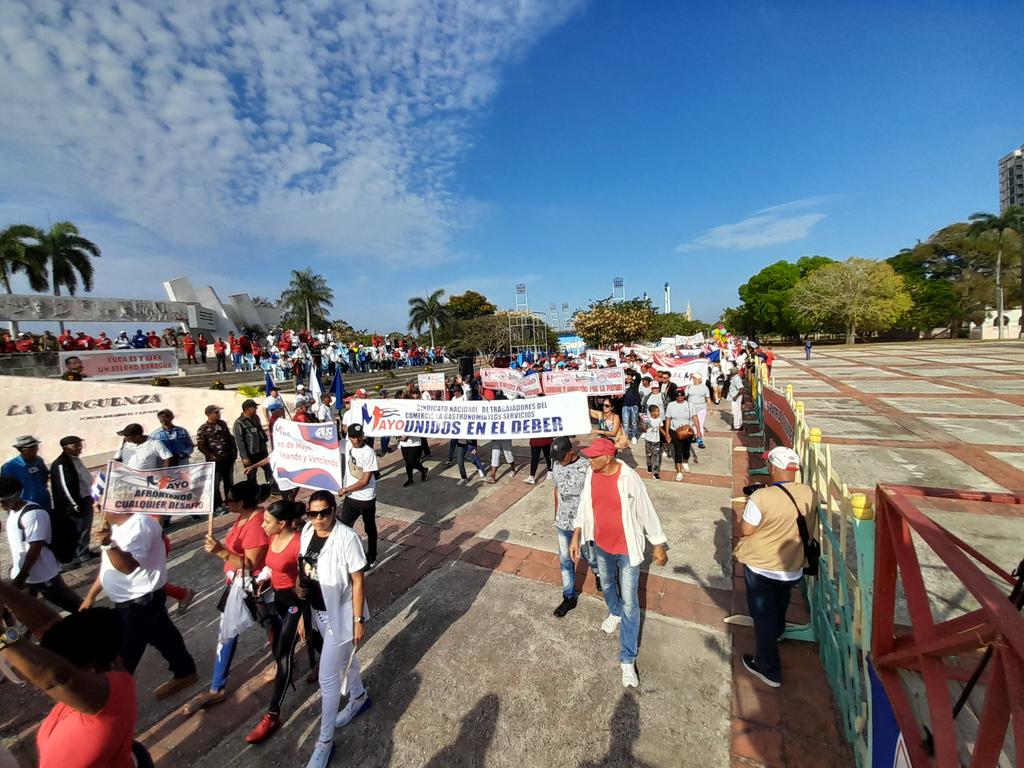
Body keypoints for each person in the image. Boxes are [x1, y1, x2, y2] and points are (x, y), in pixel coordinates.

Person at [0, 583, 150, 768]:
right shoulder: (99, 670)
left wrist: (3, 638)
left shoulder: (110, 695)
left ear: (88, 667)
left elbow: (56, 678)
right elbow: (44, 623)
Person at [569, 438, 668, 688]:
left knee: (631, 602)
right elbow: (584, 504)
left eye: (594, 457)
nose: (589, 461)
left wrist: (657, 544)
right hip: (601, 544)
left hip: (626, 548)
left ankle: (627, 659)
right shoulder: (592, 474)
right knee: (607, 585)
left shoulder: (629, 478)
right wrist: (576, 533)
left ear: (608, 458)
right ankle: (614, 611)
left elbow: (646, 509)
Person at [78, 509, 198, 697]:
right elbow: (108, 566)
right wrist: (91, 596)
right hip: (136, 601)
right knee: (164, 636)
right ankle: (186, 672)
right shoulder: (116, 528)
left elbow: (128, 567)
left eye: (98, 505)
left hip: (139, 604)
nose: (95, 510)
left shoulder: (139, 527)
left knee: (123, 654)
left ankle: (112, 699)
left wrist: (108, 545)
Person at [734, 447, 819, 688]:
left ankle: (768, 668)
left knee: (762, 616)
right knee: (781, 602)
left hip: (762, 566)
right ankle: (779, 631)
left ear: (774, 467)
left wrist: (752, 502)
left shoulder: (762, 497)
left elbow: (746, 530)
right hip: (793, 565)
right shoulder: (809, 493)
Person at [297, 491, 370, 768]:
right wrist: (305, 613)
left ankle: (324, 742)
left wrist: (357, 621)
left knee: (328, 680)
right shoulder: (307, 531)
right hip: (317, 611)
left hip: (341, 616)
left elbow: (358, 582)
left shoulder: (346, 538)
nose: (318, 519)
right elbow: (306, 571)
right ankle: (359, 696)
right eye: (312, 513)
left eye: (324, 512)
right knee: (345, 663)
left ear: (334, 510)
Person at [187, 482, 272, 714]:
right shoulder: (244, 516)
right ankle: (217, 686)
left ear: (241, 503)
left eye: (230, 500)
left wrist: (220, 552)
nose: (226, 503)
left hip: (253, 588)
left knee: (270, 626)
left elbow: (250, 564)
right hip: (235, 585)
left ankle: (282, 659)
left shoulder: (256, 524)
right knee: (228, 632)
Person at [244, 499, 307, 744]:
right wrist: (264, 578)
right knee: (313, 639)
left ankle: (272, 714)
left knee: (283, 654)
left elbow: (307, 580)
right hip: (278, 599)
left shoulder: (299, 544)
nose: (263, 526)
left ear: (281, 524)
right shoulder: (273, 537)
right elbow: (272, 565)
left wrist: (303, 613)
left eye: (268, 522)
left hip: (296, 602)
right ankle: (323, 658)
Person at [1, 477, 80, 613]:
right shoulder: (13, 513)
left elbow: (35, 546)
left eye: (3, 500)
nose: (1, 504)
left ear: (17, 494)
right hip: (27, 574)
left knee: (72, 604)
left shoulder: (33, 514)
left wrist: (21, 576)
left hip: (43, 574)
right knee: (29, 610)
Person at [549, 437, 600, 618]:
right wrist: (557, 515)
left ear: (571, 452)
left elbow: (594, 496)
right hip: (563, 523)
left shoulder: (587, 467)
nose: (560, 462)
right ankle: (569, 597)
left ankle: (598, 574)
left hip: (583, 524)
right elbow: (557, 491)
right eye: (557, 458)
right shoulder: (556, 464)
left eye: (562, 457)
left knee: (591, 557)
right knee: (565, 561)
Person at [49, 435, 97, 564]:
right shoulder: (62, 463)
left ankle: (84, 551)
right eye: (76, 446)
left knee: (85, 528)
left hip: (86, 498)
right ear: (66, 448)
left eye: (80, 445)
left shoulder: (76, 459)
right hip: (75, 503)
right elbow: (65, 486)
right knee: (77, 529)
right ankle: (78, 555)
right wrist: (74, 504)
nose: (79, 448)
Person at [340, 424, 379, 567]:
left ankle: (372, 555)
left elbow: (365, 480)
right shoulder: (345, 445)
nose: (357, 440)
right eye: (353, 437)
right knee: (344, 527)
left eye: (359, 436)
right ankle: (353, 554)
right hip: (351, 497)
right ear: (349, 437)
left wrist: (346, 489)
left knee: (369, 527)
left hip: (366, 497)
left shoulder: (368, 452)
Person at [196, 405, 237, 512]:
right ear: (209, 414)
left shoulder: (222, 424)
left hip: (227, 458)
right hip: (214, 462)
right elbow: (201, 446)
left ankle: (229, 501)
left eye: (219, 412)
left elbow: (229, 437)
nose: (218, 414)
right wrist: (211, 456)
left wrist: (234, 451)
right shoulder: (203, 428)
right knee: (215, 484)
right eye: (216, 412)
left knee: (229, 481)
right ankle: (217, 505)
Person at [2, 435, 52, 510]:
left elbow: (44, 477)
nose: (37, 449)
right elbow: (6, 491)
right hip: (25, 507)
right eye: (33, 448)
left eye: (36, 446)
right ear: (23, 449)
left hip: (44, 502)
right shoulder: (10, 467)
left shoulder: (39, 460)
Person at [233, 399, 272, 487]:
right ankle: (254, 492)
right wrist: (244, 457)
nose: (256, 409)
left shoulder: (256, 418)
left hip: (261, 450)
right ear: (247, 409)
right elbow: (239, 441)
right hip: (251, 453)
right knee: (251, 474)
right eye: (254, 407)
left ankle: (272, 487)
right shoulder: (239, 423)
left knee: (269, 470)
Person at [665, 388, 696, 480]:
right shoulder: (671, 405)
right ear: (675, 396)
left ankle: (685, 462)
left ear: (684, 395)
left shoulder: (690, 405)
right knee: (678, 451)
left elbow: (695, 417)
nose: (680, 397)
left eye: (682, 395)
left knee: (686, 450)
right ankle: (679, 472)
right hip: (674, 431)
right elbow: (668, 419)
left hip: (687, 431)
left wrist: (698, 430)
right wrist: (667, 433)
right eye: (677, 395)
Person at [685, 372, 713, 449]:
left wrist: (711, 408)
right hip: (690, 408)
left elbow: (708, 398)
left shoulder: (704, 387)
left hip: (701, 408)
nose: (694, 380)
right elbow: (685, 396)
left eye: (696, 378)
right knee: (692, 424)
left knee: (700, 424)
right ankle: (694, 436)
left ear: (700, 379)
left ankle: (700, 440)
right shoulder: (689, 386)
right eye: (693, 378)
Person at [640, 403, 664, 479]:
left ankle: (655, 472)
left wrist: (666, 435)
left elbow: (660, 428)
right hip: (648, 441)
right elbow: (644, 428)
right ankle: (649, 465)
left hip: (657, 441)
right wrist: (642, 423)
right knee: (649, 454)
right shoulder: (648, 419)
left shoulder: (659, 419)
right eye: (657, 411)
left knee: (656, 456)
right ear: (652, 412)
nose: (659, 413)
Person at [621, 370, 642, 444]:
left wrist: (629, 369)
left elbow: (639, 376)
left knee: (634, 422)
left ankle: (634, 436)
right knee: (625, 423)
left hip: (634, 406)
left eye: (631, 376)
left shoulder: (635, 383)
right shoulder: (622, 383)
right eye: (628, 375)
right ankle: (625, 437)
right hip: (625, 406)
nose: (629, 377)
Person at [728, 367, 745, 431]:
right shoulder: (735, 378)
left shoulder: (736, 379)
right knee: (738, 412)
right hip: (735, 397)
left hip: (735, 398)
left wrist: (736, 396)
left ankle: (736, 426)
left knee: (735, 412)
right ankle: (739, 425)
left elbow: (741, 388)